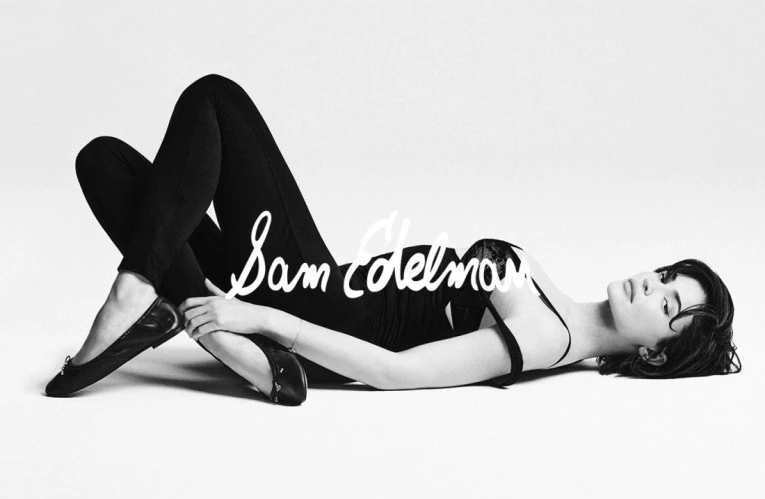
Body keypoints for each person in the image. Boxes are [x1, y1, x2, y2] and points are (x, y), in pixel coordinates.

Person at [44, 74, 741, 406]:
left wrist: (264, 318)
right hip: (317, 282)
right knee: (105, 161)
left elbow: (394, 371)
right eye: (665, 275)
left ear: (653, 352)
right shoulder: (553, 302)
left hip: (319, 309)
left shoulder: (544, 338)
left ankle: (140, 297)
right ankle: (209, 331)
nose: (651, 284)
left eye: (668, 305)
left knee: (215, 99)